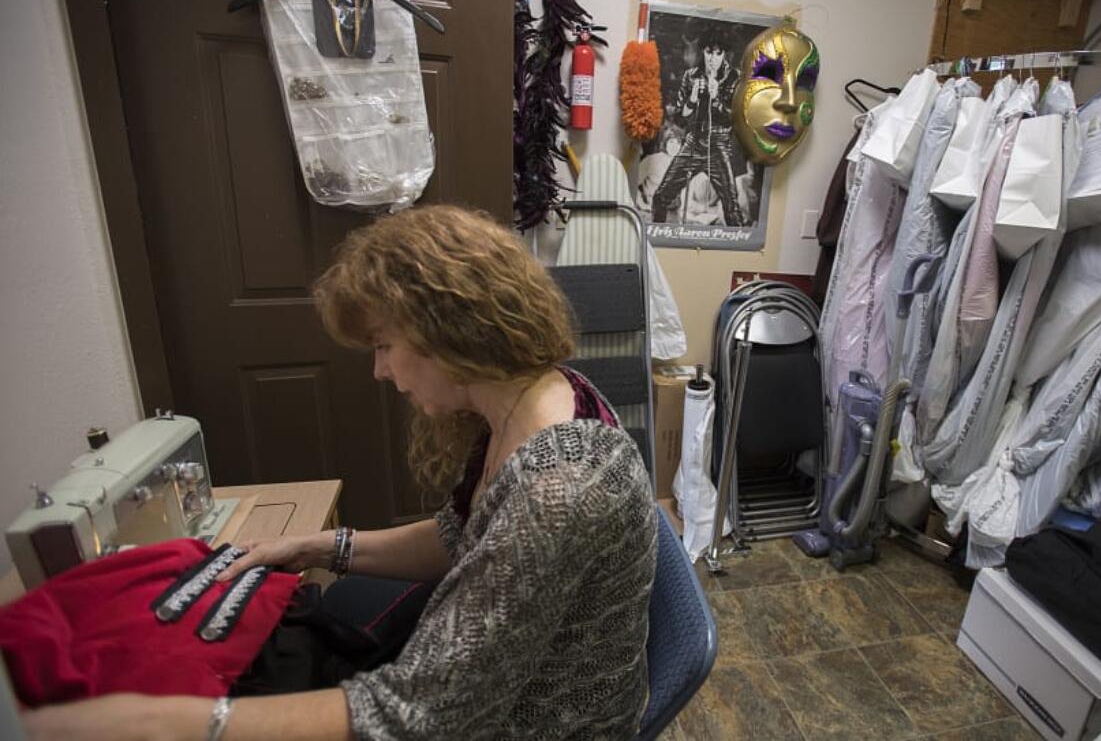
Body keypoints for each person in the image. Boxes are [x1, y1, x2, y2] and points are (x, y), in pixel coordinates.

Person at [24, 205, 658, 741]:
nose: (380, 371)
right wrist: (319, 545)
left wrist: (186, 721)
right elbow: (459, 534)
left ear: (455, 332)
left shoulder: (559, 489)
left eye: (384, 344)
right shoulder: (530, 402)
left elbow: (425, 714)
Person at [651, 27, 745, 227]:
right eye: (709, 52)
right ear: (703, 51)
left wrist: (717, 97)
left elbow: (735, 119)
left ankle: (737, 252)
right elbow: (680, 117)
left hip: (719, 145)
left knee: (732, 208)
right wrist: (692, 99)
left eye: (718, 53)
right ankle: (654, 240)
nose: (712, 58)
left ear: (725, 54)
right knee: (660, 196)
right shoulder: (691, 75)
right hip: (694, 142)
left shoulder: (734, 78)